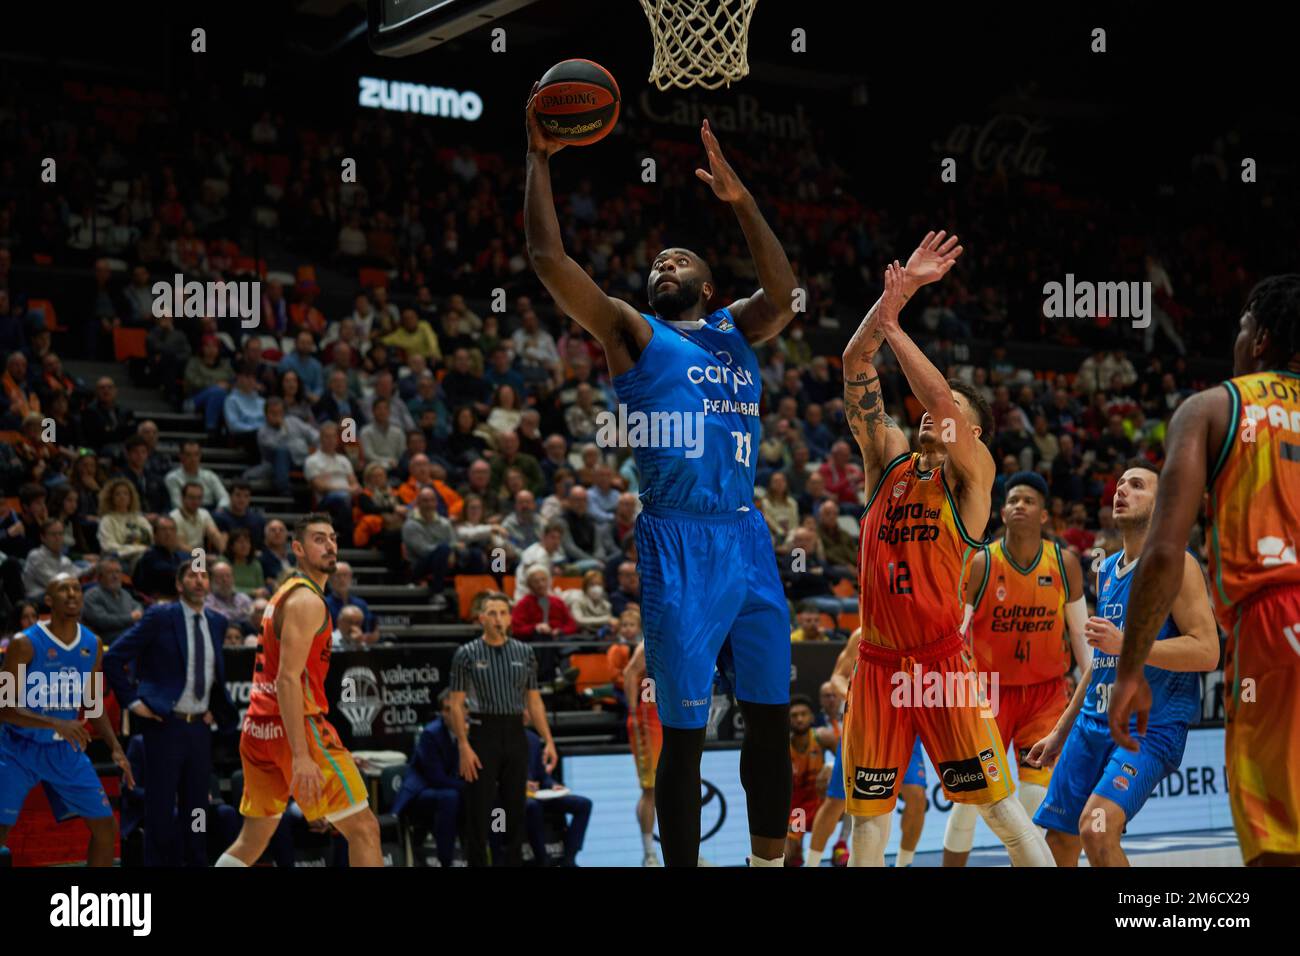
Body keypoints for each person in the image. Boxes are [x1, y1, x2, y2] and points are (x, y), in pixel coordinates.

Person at [527, 96, 801, 866]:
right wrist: (539, 158)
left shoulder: (732, 332)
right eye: (657, 263)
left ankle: (767, 863)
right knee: (684, 736)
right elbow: (551, 263)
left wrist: (743, 202)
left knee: (771, 721)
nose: (663, 264)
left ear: (710, 288)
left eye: (679, 260)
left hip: (746, 535)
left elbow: (783, 294)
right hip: (678, 542)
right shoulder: (633, 332)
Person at [839, 246, 1052, 866]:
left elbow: (936, 402)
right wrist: (892, 298)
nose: (940, 411)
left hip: (939, 665)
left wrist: (898, 325)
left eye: (955, 407)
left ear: (974, 431)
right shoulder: (890, 462)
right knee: (867, 824)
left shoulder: (973, 477)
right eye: (940, 404)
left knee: (1000, 812)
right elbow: (855, 361)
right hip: (877, 665)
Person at [1108, 277, 1300, 867]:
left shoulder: (1213, 407)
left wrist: (1131, 668)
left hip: (1273, 629)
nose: (1238, 339)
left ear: (1261, 339)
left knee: (1278, 844)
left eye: (1243, 327)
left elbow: (1165, 553)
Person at [1027, 462, 1218, 866]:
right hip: (1093, 722)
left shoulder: (1176, 565)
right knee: (1056, 844)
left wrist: (1127, 644)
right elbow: (1102, 659)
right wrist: (1060, 731)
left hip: (1150, 727)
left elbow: (1207, 651)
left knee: (1096, 829)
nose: (1121, 491)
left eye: (1136, 485)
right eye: (1118, 485)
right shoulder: (1108, 568)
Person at [216, 514, 383, 867]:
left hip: (258, 727)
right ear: (297, 548)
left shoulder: (283, 595)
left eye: (333, 537)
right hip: (298, 729)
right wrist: (302, 756)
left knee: (252, 840)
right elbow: (288, 680)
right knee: (365, 829)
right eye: (319, 539)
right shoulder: (307, 601)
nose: (330, 545)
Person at [942, 472, 1089, 867]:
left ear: (1045, 515)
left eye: (1028, 500)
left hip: (1045, 695)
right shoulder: (980, 562)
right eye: (1013, 500)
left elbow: (1080, 634)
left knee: (1033, 800)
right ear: (1002, 512)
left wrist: (1094, 682)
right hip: (987, 693)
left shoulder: (1064, 562)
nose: (1019, 505)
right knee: (972, 800)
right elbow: (956, 631)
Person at [103, 563, 237, 865]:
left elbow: (212, 672)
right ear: (179, 584)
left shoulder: (217, 621)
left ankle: (197, 861)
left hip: (199, 731)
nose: (199, 580)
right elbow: (113, 658)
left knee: (198, 812)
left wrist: (213, 709)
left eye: (204, 575)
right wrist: (135, 703)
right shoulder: (161, 616)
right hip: (165, 726)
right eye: (192, 575)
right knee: (161, 814)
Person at [0, 575, 133, 867]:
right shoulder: (25, 644)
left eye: (76, 589)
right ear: (49, 600)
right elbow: (4, 708)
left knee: (105, 828)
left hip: (64, 751)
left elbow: (94, 705)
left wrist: (114, 746)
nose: (72, 594)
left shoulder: (92, 644)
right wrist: (55, 723)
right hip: (18, 748)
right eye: (63, 589)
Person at [447, 591, 557, 867]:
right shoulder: (467, 653)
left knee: (516, 812)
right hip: (483, 733)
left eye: (503, 613)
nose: (498, 619)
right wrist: (463, 745)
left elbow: (534, 700)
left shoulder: (524, 651)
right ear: (481, 618)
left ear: (510, 618)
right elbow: (456, 704)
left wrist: (549, 741)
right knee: (479, 813)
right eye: (492, 613)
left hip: (515, 734)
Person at [391, 690, 466, 867]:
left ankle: (483, 856)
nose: (452, 714)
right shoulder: (430, 734)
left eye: (457, 708)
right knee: (451, 797)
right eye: (446, 709)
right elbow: (436, 778)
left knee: (484, 796)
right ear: (441, 713)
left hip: (451, 789)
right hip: (421, 792)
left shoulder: (470, 734)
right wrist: (469, 787)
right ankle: (445, 860)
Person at [522, 712, 591, 867]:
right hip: (515, 796)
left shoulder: (533, 739)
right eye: (524, 709)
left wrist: (553, 785)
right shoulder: (501, 741)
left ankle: (569, 859)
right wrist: (522, 784)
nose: (527, 713)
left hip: (537, 795)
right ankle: (542, 859)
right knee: (533, 806)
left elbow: (541, 774)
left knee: (584, 804)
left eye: (528, 709)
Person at [620, 637, 662, 865]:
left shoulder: (682, 637)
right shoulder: (649, 643)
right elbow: (629, 672)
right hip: (649, 717)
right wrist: (634, 712)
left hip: (671, 715)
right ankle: (649, 854)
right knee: (651, 789)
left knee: (675, 788)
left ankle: (686, 851)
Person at [786, 694, 827, 866]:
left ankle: (842, 844)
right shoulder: (782, 746)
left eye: (803, 714)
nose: (800, 719)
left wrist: (830, 766)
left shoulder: (822, 737)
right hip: (797, 811)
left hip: (821, 807)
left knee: (849, 800)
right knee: (787, 856)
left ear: (811, 717)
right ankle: (793, 854)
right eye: (794, 715)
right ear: (788, 719)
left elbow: (848, 756)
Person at [81, 556, 143, 644]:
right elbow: (103, 621)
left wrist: (137, 612)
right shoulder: (92, 595)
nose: (115, 576)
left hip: (129, 635)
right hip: (107, 641)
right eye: (110, 572)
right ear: (99, 577)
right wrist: (130, 618)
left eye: (118, 572)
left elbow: (137, 605)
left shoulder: (124, 593)